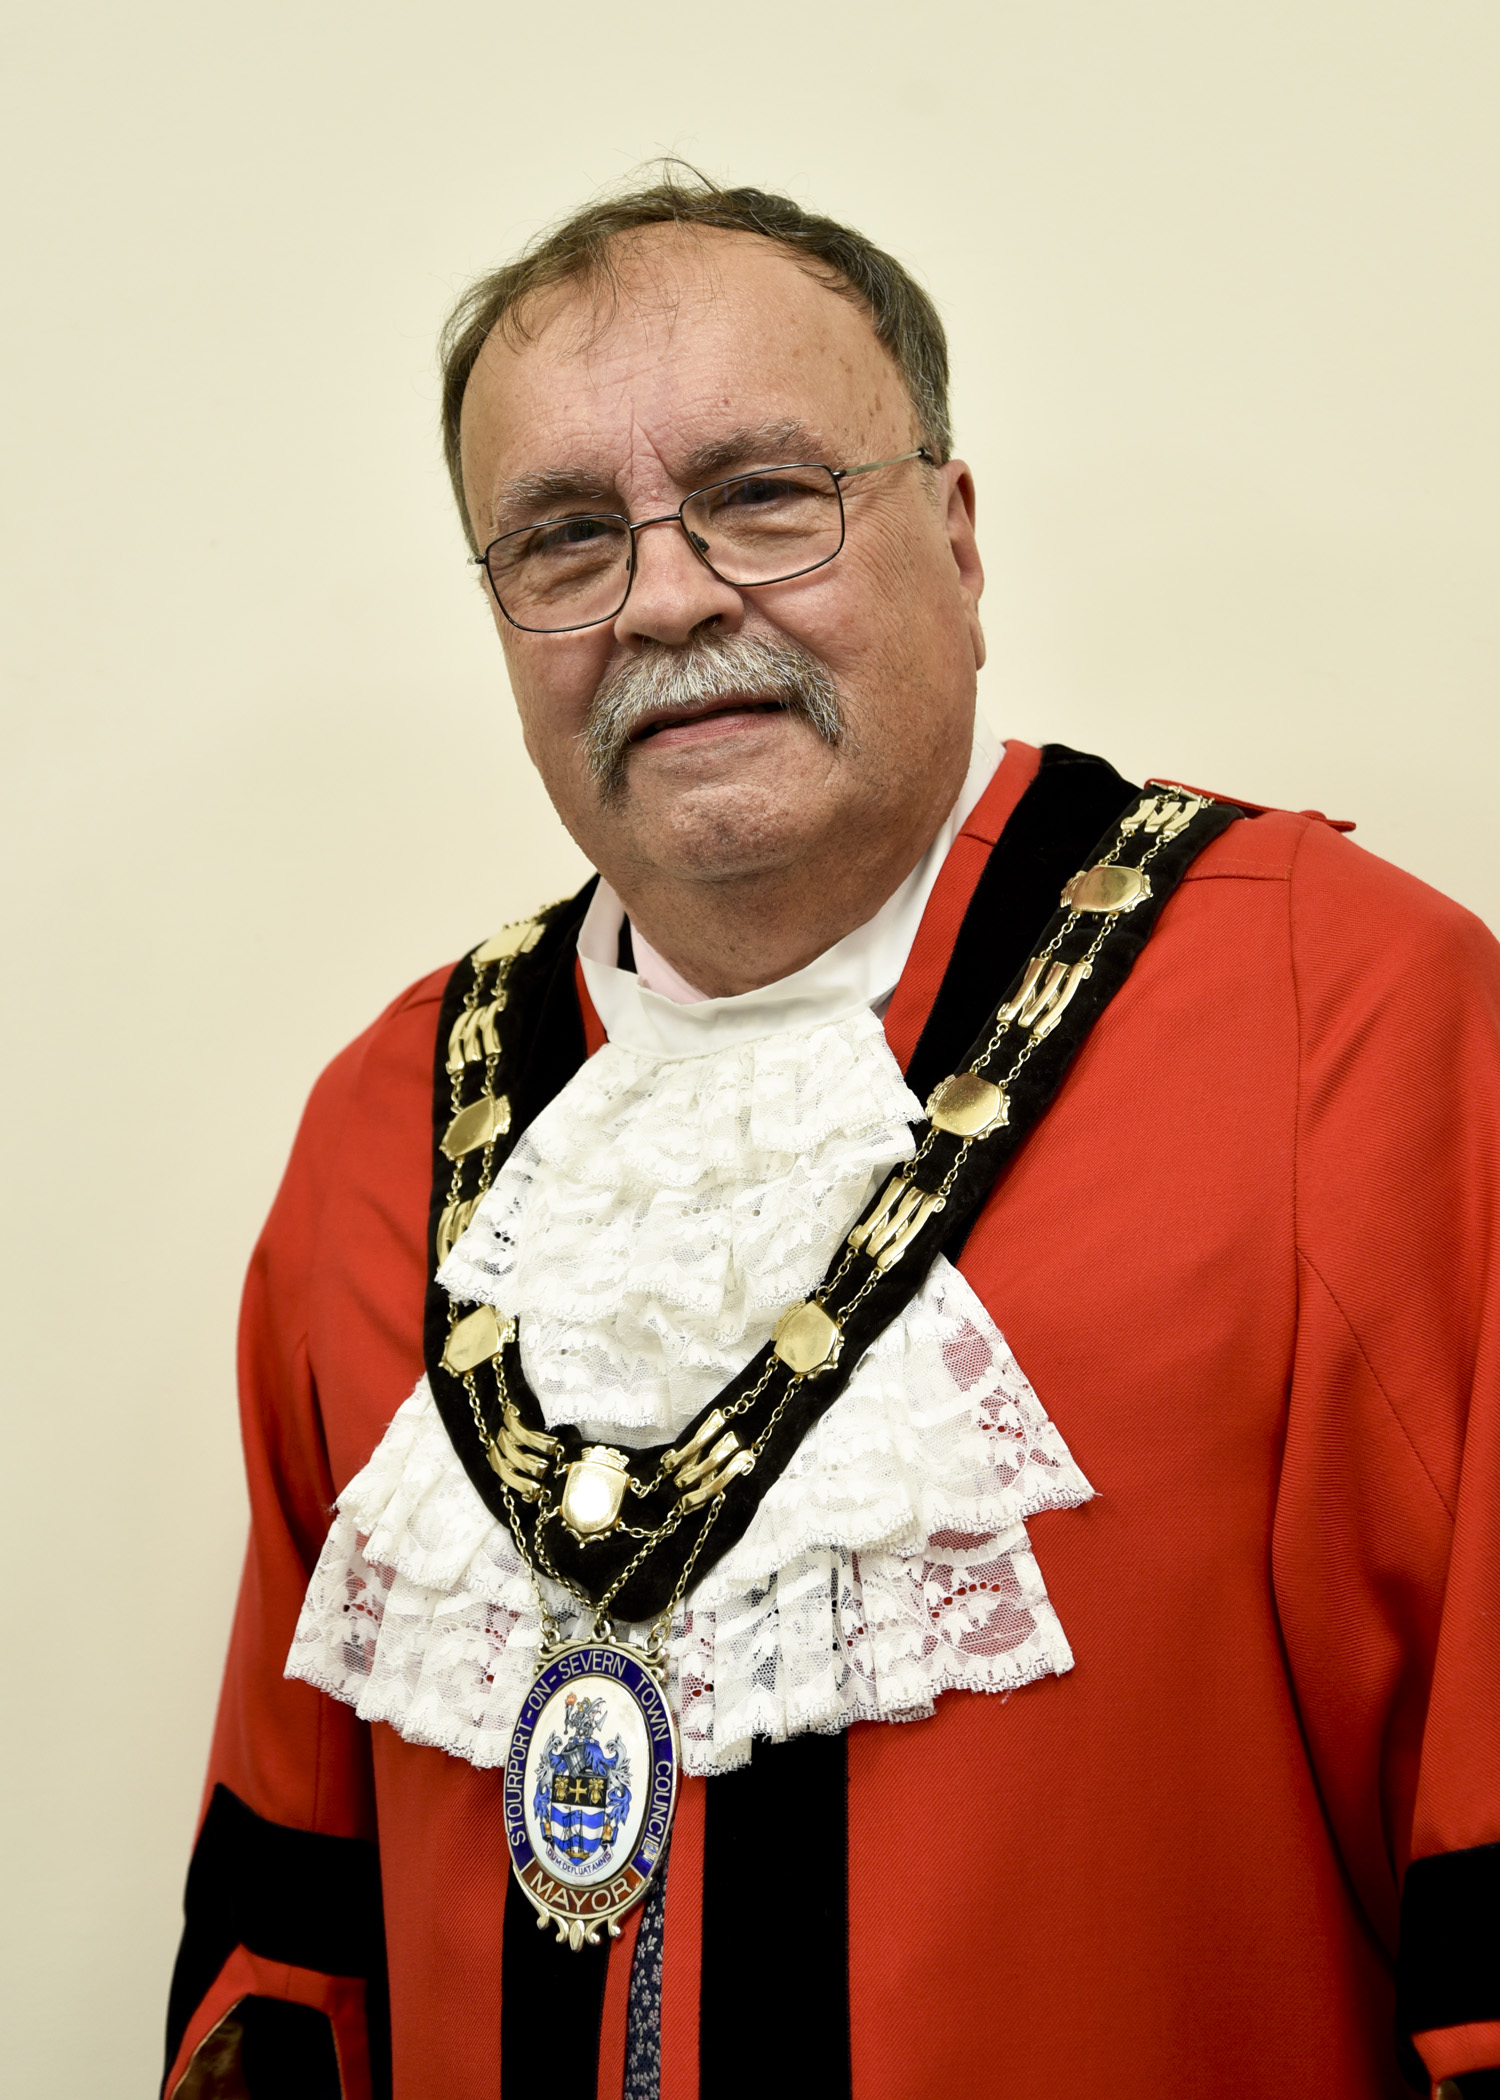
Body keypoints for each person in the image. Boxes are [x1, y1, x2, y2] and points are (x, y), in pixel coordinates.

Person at [163, 173, 1500, 2100]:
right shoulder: (380, 1127)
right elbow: (289, 1965)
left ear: (957, 540)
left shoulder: (1347, 1015)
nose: (673, 594)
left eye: (767, 496)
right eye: (562, 541)